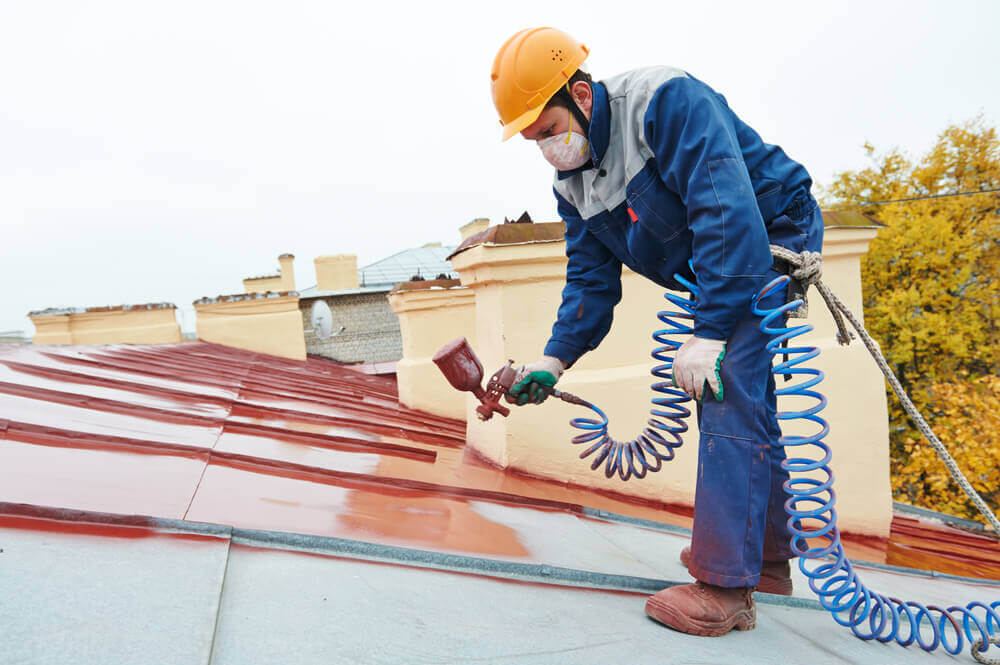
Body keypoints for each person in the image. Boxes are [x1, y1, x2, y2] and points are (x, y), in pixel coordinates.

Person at [491, 27, 824, 637]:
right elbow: (590, 284)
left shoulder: (666, 103)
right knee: (745, 390)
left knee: (723, 386)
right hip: (715, 254)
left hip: (768, 232)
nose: (547, 149)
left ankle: (725, 588)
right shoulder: (574, 185)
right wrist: (554, 361)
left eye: (549, 130)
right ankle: (768, 561)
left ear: (584, 96)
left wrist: (712, 331)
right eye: (534, 140)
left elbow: (727, 211)